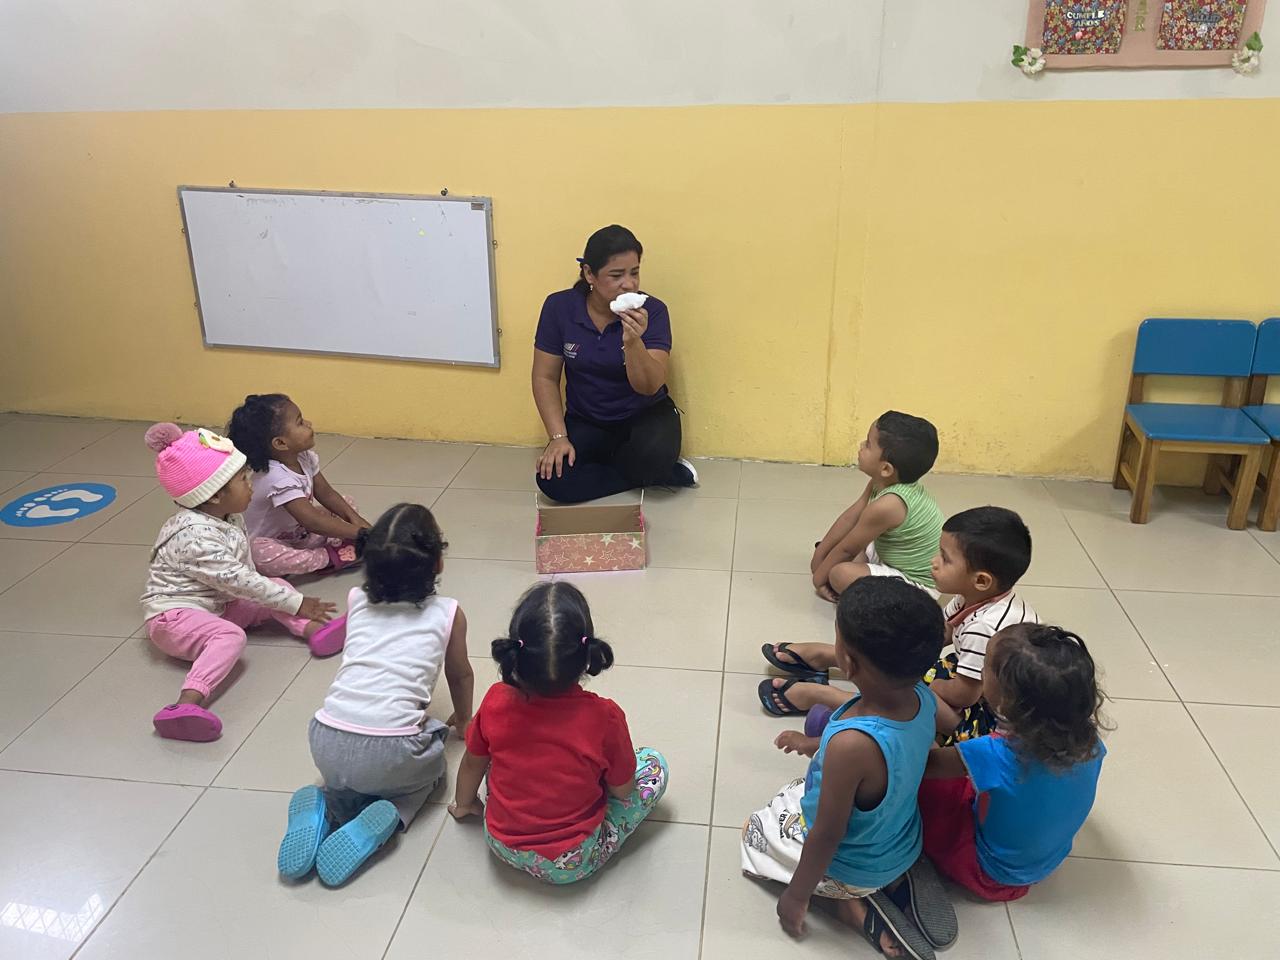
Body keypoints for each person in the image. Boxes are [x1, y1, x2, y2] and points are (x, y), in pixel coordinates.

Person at [742, 578, 949, 960]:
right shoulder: (922, 695)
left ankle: (851, 907)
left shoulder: (851, 745)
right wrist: (812, 745)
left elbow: (826, 834)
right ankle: (897, 877)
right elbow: (920, 739)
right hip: (903, 839)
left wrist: (796, 897)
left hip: (852, 867)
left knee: (753, 831)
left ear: (848, 662)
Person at [277, 503, 474, 887]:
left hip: (325, 738)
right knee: (433, 772)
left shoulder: (356, 599)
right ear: (438, 564)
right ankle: (394, 811)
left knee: (350, 774)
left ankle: (327, 805)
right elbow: (460, 673)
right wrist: (464, 719)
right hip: (393, 751)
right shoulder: (449, 613)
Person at [448, 581, 668, 884]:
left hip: (502, 843)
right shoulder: (605, 717)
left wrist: (464, 804)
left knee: (492, 752)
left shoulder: (495, 699)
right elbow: (622, 791)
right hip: (569, 863)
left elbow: (473, 763)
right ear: (585, 657)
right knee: (654, 763)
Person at [764, 507, 1038, 742]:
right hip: (972, 680)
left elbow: (964, 695)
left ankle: (829, 697)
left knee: (905, 696)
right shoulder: (973, 597)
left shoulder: (985, 627)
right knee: (905, 657)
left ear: (981, 580)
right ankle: (833, 656)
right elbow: (939, 634)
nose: (934, 562)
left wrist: (927, 685)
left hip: (987, 722)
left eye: (945, 558)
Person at [140, 423, 338, 743]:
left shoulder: (227, 516)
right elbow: (241, 581)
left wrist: (279, 598)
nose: (251, 486)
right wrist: (297, 602)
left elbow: (244, 578)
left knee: (274, 585)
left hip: (216, 602)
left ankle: (314, 631)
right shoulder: (194, 536)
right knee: (230, 636)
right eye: (244, 480)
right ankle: (186, 704)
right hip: (174, 619)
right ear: (215, 495)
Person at [917, 623, 1108, 902]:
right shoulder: (1091, 743)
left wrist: (915, 713)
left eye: (985, 666)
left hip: (989, 872)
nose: (980, 671)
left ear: (1006, 700)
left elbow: (923, 766)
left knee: (919, 782)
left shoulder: (996, 752)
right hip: (1045, 863)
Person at [531, 224, 697, 503]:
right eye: (616, 275)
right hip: (587, 418)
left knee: (652, 456)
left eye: (635, 272)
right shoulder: (559, 308)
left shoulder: (653, 311)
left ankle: (649, 467)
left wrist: (633, 342)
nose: (629, 284)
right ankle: (661, 474)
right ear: (589, 274)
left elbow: (649, 386)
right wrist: (558, 437)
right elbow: (544, 377)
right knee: (553, 480)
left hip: (645, 415)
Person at [227, 393, 371, 577]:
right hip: (272, 542)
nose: (309, 424)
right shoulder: (277, 478)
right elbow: (312, 521)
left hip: (299, 533)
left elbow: (326, 493)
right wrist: (362, 534)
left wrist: (360, 524)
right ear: (281, 443)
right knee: (260, 554)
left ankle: (339, 550)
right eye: (300, 422)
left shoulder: (304, 457)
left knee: (346, 502)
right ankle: (329, 557)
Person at [810, 412, 943, 603]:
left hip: (916, 584)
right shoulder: (879, 483)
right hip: (888, 556)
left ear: (886, 469)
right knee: (837, 552)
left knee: (839, 574)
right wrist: (820, 554)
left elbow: (847, 549)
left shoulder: (889, 505)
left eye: (868, 444)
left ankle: (897, 604)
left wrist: (818, 580)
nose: (861, 445)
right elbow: (850, 519)